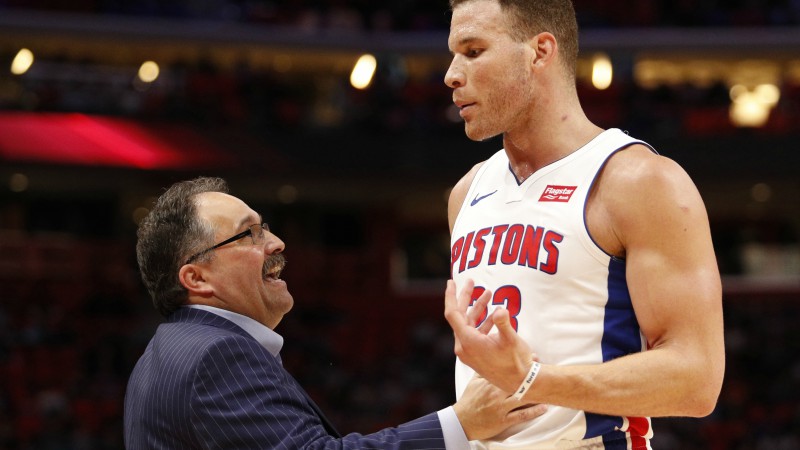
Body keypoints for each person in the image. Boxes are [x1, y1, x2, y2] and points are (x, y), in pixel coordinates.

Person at [441, 0, 725, 448]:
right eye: (454, 54)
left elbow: (697, 379)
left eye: (473, 51)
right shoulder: (467, 192)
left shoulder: (636, 180)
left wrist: (533, 381)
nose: (452, 74)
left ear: (540, 51)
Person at [124, 176, 545, 449]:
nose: (275, 243)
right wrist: (461, 422)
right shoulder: (215, 356)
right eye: (248, 234)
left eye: (265, 227)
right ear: (196, 279)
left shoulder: (163, 356)